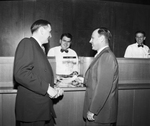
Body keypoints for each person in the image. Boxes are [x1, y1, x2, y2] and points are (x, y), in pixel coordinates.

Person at [13, 19, 63, 126]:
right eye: (49, 32)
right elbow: (21, 73)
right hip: (32, 110)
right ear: (41, 30)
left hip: (42, 109)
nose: (50, 35)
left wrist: (53, 87)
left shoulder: (39, 48)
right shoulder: (27, 42)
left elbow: (38, 73)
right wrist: (47, 88)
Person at [83, 27, 119, 126]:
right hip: (99, 113)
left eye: (92, 38)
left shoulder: (107, 56)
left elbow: (103, 87)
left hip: (100, 115)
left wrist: (93, 110)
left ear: (102, 39)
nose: (90, 41)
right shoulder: (102, 55)